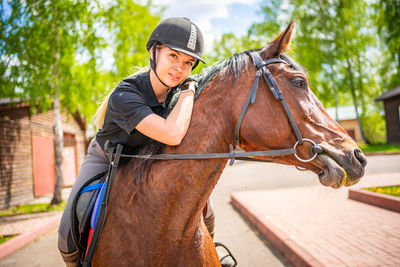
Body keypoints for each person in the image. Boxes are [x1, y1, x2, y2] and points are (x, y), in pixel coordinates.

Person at [58, 17, 231, 267]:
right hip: (108, 159)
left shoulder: (180, 93)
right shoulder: (125, 95)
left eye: (188, 62)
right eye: (173, 56)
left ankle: (209, 253)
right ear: (154, 51)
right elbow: (172, 134)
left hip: (153, 159)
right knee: (67, 232)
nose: (180, 69)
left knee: (206, 208)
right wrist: (189, 91)